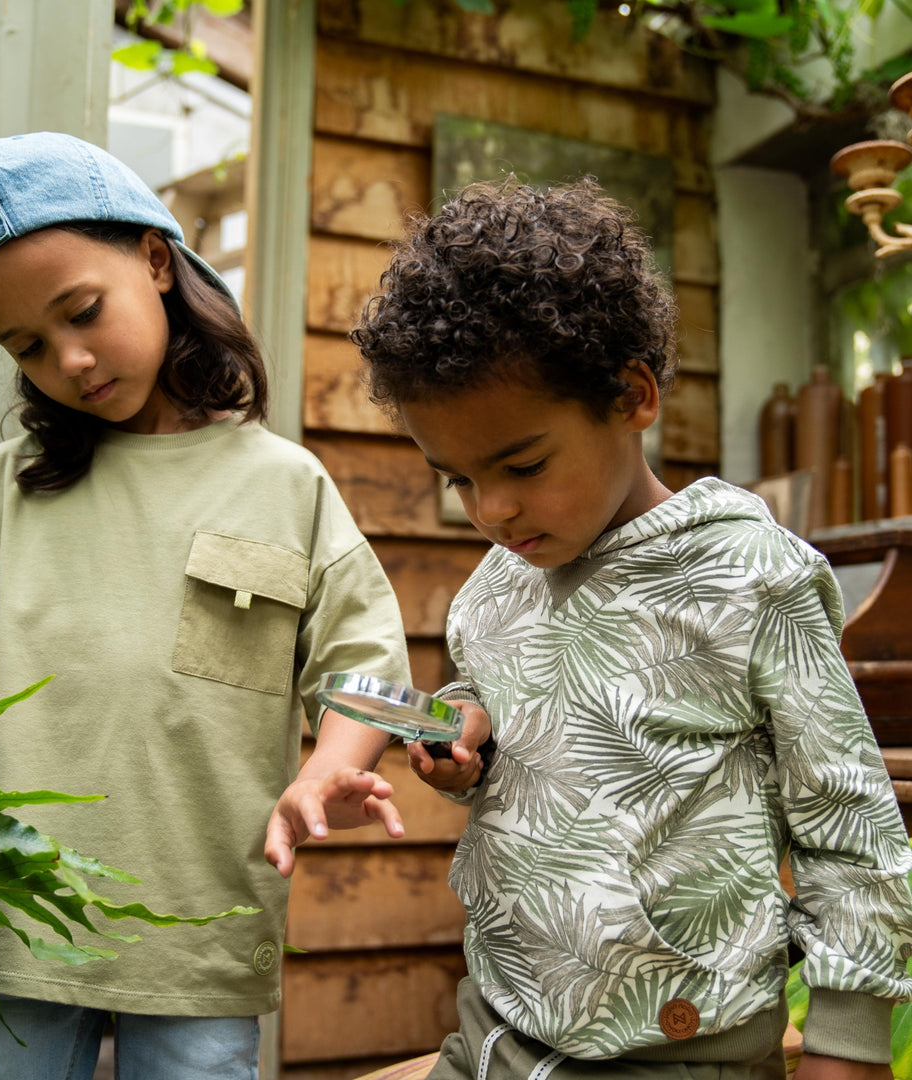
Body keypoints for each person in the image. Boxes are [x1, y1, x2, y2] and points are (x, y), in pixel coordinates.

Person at [350, 176, 912, 1080]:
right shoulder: (498, 583)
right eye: (455, 478)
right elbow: (513, 713)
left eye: (522, 464)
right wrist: (468, 740)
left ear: (633, 396)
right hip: (495, 1027)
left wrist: (845, 1046)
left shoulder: (749, 575)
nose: (490, 509)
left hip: (678, 1053)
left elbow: (851, 825)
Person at [0, 131, 409, 1080]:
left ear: (157, 260)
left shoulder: (284, 485)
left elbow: (363, 661)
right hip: (15, 930)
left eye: (83, 311)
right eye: (29, 348)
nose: (73, 360)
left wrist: (326, 767)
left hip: (198, 935)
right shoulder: (4, 488)